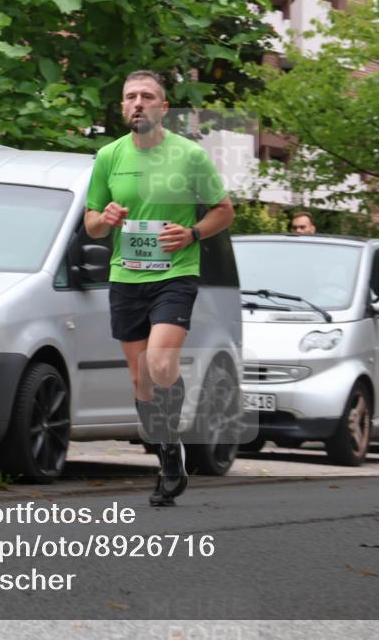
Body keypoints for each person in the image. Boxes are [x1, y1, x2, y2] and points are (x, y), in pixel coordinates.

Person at [84, 70, 235, 506]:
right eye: (130, 96)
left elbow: (223, 212)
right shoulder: (109, 156)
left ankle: (171, 450)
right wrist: (105, 218)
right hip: (126, 276)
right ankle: (169, 455)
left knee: (160, 362)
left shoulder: (189, 156)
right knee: (140, 378)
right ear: (122, 107)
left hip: (175, 273)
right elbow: (92, 225)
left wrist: (191, 233)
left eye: (146, 96)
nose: (137, 103)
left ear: (163, 107)